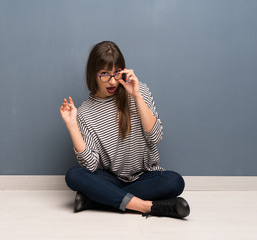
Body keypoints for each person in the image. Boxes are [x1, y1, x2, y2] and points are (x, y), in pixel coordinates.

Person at [59, 41, 190, 219]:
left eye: (116, 73)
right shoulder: (85, 113)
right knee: (74, 175)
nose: (112, 81)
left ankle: (96, 199)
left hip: (144, 176)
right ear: (93, 74)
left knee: (175, 182)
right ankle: (145, 206)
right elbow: (90, 165)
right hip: (110, 177)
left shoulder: (139, 90)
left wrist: (136, 95)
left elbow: (155, 137)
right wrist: (72, 125)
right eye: (104, 74)